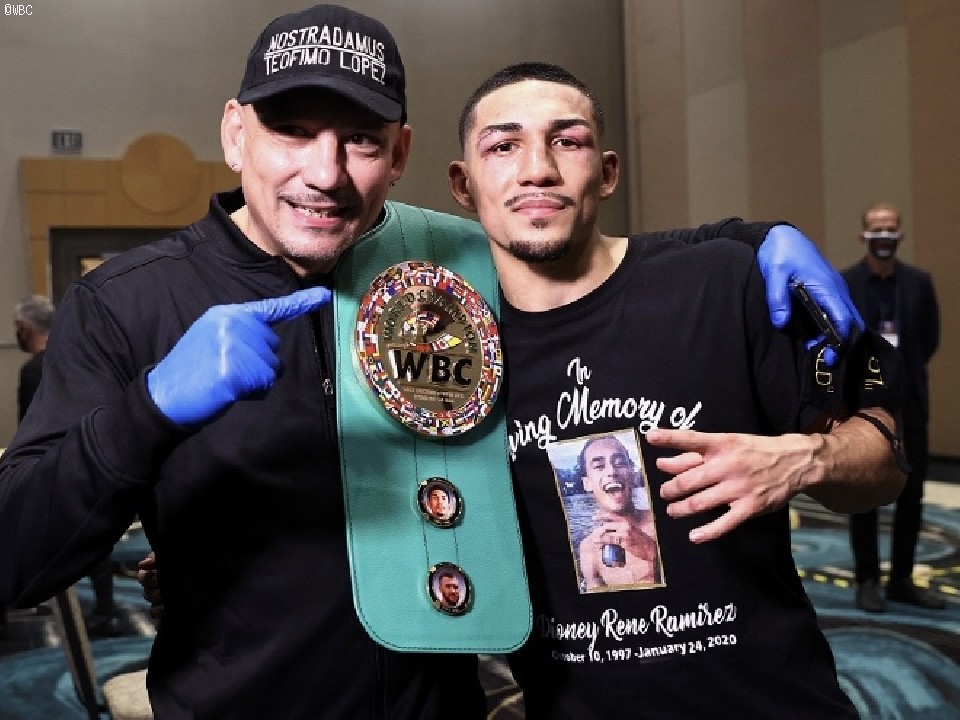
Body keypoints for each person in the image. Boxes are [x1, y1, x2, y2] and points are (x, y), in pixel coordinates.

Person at [0, 4, 872, 717]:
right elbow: (16, 557)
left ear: (401, 156)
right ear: (235, 134)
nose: (325, 172)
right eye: (291, 131)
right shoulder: (127, 304)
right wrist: (149, 410)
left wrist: (755, 237)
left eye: (360, 140)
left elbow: (573, 245)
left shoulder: (440, 263)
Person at [446, 61, 907, 718]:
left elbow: (887, 463)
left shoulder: (718, 284)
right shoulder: (455, 354)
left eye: (567, 141)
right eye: (503, 147)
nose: (537, 169)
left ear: (607, 171)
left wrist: (810, 460)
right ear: (464, 185)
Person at [844, 201, 943, 612]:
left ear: (900, 234)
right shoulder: (846, 283)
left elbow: (929, 339)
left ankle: (901, 579)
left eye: (890, 228)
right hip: (863, 406)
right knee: (863, 492)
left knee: (911, 495)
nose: (884, 235)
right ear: (863, 235)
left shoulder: (919, 283)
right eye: (876, 228)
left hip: (910, 404)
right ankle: (867, 579)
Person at [12, 296, 121, 637]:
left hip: (56, 467)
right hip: (91, 457)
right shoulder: (76, 360)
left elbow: (32, 428)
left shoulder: (35, 370)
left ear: (25, 328)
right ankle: (105, 608)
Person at [571, 433, 661, 590]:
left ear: (632, 475)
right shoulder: (588, 549)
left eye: (619, 463)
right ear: (587, 483)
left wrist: (653, 552)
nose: (612, 471)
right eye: (599, 466)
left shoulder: (660, 521)